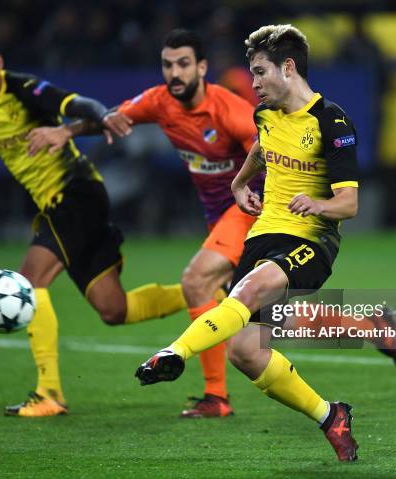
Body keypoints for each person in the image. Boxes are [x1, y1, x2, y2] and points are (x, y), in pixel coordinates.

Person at [0, 26, 187, 418]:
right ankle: (203, 292)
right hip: (68, 205)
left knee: (30, 281)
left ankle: (49, 393)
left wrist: (103, 115)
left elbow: (77, 103)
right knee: (114, 309)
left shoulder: (23, 89)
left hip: (75, 193)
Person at [134, 24, 360, 461]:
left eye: (259, 72)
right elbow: (260, 149)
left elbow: (349, 203)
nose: (252, 83)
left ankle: (174, 351)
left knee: (248, 289)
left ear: (288, 68)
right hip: (262, 237)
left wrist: (317, 204)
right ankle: (331, 416)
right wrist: (240, 184)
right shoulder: (265, 116)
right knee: (245, 353)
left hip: (311, 242)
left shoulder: (331, 121)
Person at [27, 28, 265, 419]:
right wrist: (65, 130)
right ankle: (368, 324)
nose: (175, 73)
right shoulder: (159, 101)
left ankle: (217, 397)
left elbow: (268, 152)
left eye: (184, 64)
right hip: (219, 221)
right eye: (168, 65)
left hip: (251, 211)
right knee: (261, 311)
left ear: (202, 67)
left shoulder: (231, 111)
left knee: (196, 282)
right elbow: (113, 119)